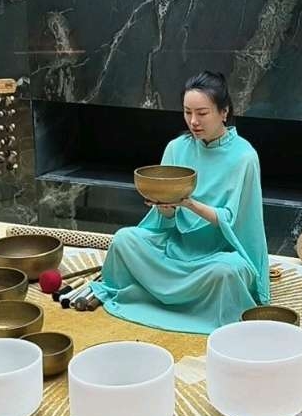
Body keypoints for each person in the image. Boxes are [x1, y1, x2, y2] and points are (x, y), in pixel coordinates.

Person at [89, 71, 270, 334]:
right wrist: (165, 208)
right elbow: (166, 221)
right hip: (176, 247)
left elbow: (234, 222)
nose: (193, 121)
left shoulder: (244, 157)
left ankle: (171, 298)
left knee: (228, 272)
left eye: (202, 113)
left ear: (224, 112)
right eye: (187, 112)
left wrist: (189, 203)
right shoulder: (176, 147)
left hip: (216, 255)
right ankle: (155, 296)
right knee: (124, 239)